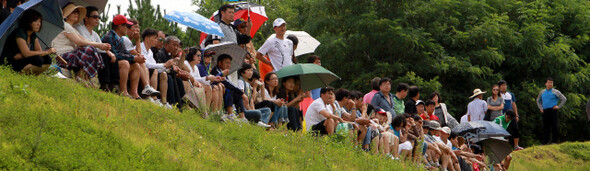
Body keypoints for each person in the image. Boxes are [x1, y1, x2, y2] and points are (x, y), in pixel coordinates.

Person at [52, 3, 110, 87]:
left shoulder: (73, 29)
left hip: (70, 55)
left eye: (77, 12)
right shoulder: (65, 25)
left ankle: (85, 77)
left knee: (90, 48)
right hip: (61, 56)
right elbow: (79, 42)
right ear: (67, 14)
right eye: (73, 12)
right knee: (88, 49)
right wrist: (98, 45)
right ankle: (81, 76)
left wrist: (100, 45)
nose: (76, 14)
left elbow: (85, 40)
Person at [102, 14, 156, 99]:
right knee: (125, 63)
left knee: (136, 65)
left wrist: (135, 57)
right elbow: (116, 54)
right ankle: (124, 92)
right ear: (120, 27)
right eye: (126, 26)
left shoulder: (119, 38)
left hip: (114, 65)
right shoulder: (110, 37)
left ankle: (134, 93)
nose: (127, 28)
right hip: (108, 66)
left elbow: (125, 52)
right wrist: (134, 57)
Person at [74, 6, 118, 91]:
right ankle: (103, 83)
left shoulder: (95, 34)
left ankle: (112, 84)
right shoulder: (79, 29)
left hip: (91, 54)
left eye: (99, 17)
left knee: (110, 55)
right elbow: (84, 44)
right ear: (86, 18)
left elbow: (101, 48)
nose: (97, 19)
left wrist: (111, 54)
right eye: (94, 17)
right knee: (99, 53)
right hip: (80, 54)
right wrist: (103, 49)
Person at [1, 9, 55, 75]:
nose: (39, 24)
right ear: (28, 22)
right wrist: (47, 52)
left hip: (23, 59)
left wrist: (23, 55)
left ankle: (32, 74)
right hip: (12, 61)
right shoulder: (20, 32)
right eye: (35, 21)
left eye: (40, 21)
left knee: (46, 59)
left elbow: (39, 52)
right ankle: (20, 73)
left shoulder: (33, 35)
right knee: (38, 59)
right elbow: (26, 53)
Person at [183, 47, 225, 112]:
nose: (200, 57)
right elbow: (191, 78)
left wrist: (212, 79)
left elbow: (199, 79)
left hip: (196, 86)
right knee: (210, 88)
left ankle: (206, 110)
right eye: (198, 55)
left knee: (209, 87)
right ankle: (207, 111)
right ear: (191, 55)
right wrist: (208, 78)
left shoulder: (196, 67)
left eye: (200, 56)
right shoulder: (186, 63)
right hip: (189, 86)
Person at [139, 28, 173, 108]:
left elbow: (154, 64)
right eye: (155, 38)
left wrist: (167, 68)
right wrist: (164, 65)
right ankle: (152, 97)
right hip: (142, 71)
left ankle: (163, 101)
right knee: (154, 71)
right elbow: (147, 64)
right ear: (147, 38)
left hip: (148, 71)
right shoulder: (140, 48)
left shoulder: (150, 51)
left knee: (164, 74)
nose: (156, 40)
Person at [210, 54, 247, 122]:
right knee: (230, 90)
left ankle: (242, 117)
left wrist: (240, 93)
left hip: (222, 92)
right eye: (226, 62)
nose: (229, 65)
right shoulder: (216, 70)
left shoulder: (224, 72)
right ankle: (230, 114)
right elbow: (227, 83)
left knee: (237, 93)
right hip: (216, 91)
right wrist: (242, 93)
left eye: (230, 63)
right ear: (219, 63)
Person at [153, 36, 186, 107]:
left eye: (177, 46)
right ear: (166, 45)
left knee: (178, 78)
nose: (176, 48)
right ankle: (171, 102)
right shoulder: (161, 53)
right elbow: (159, 66)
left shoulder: (170, 55)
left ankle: (181, 103)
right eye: (174, 45)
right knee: (170, 78)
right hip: (159, 75)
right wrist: (170, 68)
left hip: (167, 74)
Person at [536, 77, 567, 144]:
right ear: (546, 83)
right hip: (545, 110)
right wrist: (540, 108)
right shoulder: (542, 92)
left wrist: (558, 106)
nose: (550, 84)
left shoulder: (555, 92)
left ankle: (555, 141)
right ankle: (545, 141)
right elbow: (538, 100)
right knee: (546, 126)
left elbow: (564, 99)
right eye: (549, 82)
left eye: (551, 83)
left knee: (554, 126)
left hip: (553, 110)